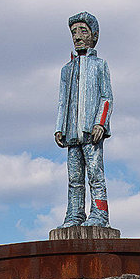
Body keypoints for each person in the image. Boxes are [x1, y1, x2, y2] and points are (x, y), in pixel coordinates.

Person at [55, 12, 113, 227]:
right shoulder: (66, 70)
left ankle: (99, 215)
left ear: (93, 35)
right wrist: (59, 127)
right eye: (74, 32)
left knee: (95, 174)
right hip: (72, 134)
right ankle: (74, 215)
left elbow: (107, 97)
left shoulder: (100, 65)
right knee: (74, 178)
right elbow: (62, 101)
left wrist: (100, 123)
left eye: (82, 31)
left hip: (91, 133)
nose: (77, 36)